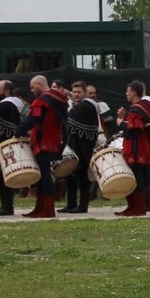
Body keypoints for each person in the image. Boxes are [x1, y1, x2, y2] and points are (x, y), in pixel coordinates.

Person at [17, 75, 68, 219]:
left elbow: (33, 118)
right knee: (43, 174)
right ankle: (40, 207)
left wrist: (18, 131)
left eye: (33, 87)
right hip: (53, 140)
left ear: (40, 84)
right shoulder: (58, 98)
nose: (32, 90)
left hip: (43, 141)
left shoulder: (42, 100)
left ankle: (47, 209)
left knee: (44, 175)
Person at [115, 81, 150, 217]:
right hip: (144, 148)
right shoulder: (145, 106)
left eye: (128, 91)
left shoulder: (136, 109)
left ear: (133, 92)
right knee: (141, 178)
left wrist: (121, 123)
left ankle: (138, 208)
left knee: (136, 178)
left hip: (136, 150)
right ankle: (135, 206)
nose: (126, 94)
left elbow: (135, 130)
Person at [61, 81, 101, 214]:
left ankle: (83, 204)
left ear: (84, 92)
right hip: (74, 144)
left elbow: (69, 119)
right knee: (70, 175)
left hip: (83, 147)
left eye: (79, 92)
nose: (76, 94)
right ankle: (71, 203)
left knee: (81, 175)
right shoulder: (80, 105)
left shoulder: (85, 106)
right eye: (75, 92)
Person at [0, 80, 24, 216]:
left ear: (6, 91)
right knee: (5, 176)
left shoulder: (5, 105)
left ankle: (7, 207)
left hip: (4, 144)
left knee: (2, 176)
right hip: (13, 144)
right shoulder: (16, 105)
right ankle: (7, 206)